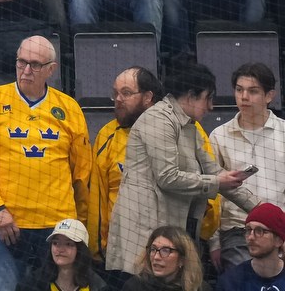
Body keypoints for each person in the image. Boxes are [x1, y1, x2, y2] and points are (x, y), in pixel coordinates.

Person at [108, 62, 258, 276]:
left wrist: (262, 210)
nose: (211, 107)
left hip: (170, 233)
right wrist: (217, 182)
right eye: (207, 98)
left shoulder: (189, 128)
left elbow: (215, 173)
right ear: (190, 96)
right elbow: (167, 177)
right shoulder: (157, 120)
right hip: (144, 236)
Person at [0, 34, 90, 291]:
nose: (26, 70)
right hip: (5, 222)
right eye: (21, 62)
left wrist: (80, 222)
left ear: (51, 70)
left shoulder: (69, 108)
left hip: (57, 226)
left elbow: (83, 172)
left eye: (35, 64)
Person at [208, 65, 285, 269]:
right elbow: (212, 193)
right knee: (242, 275)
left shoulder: (284, 133)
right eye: (239, 89)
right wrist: (214, 242)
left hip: (280, 228)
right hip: (238, 230)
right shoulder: (219, 136)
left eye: (253, 91)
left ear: (269, 96)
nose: (244, 97)